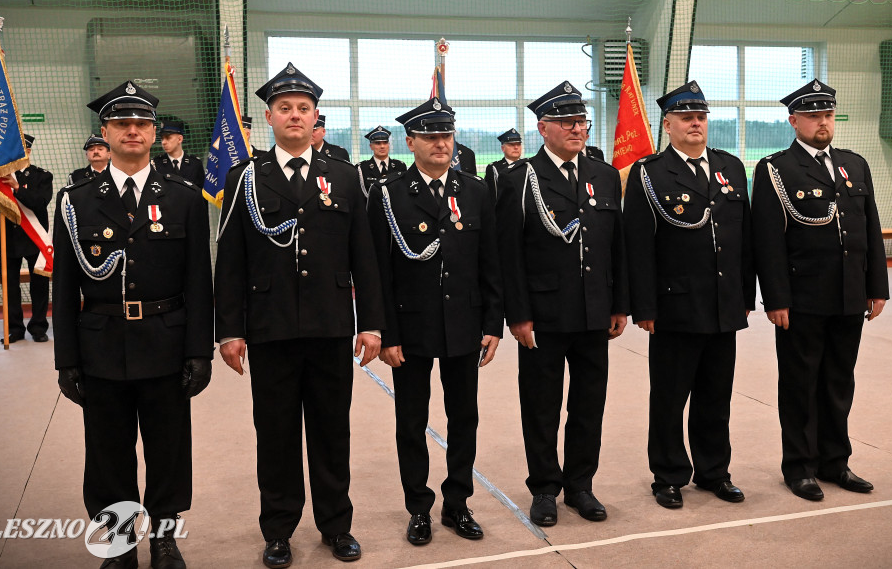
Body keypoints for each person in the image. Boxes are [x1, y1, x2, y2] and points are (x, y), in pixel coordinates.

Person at [214, 62, 384, 567]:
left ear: (315, 118)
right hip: (270, 328)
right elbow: (230, 260)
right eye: (284, 108)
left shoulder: (345, 175)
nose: (294, 115)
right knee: (277, 432)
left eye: (303, 109)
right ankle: (279, 529)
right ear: (268, 117)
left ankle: (336, 525)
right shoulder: (244, 177)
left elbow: (365, 256)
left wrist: (371, 322)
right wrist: (229, 330)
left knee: (332, 431)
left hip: (331, 326)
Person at [53, 81, 213, 569]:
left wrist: (199, 351)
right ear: (104, 132)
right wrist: (67, 360)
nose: (133, 131)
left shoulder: (184, 197)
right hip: (101, 345)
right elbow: (63, 289)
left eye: (142, 124)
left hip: (165, 341)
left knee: (167, 447)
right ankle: (120, 542)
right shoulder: (75, 201)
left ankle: (164, 537)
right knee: (108, 452)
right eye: (122, 123)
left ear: (153, 133)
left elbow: (198, 283)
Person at [368, 97, 503, 546]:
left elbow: (491, 263)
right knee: (412, 421)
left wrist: (492, 322)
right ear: (411, 142)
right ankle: (419, 507)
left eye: (446, 134)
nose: (441, 143)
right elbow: (379, 271)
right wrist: (387, 333)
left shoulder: (476, 190)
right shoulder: (387, 194)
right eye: (430, 136)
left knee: (464, 418)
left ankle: (457, 504)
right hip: (412, 328)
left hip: (464, 325)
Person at [495, 80, 629, 526]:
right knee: (541, 406)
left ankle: (580, 485)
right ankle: (545, 488)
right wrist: (518, 315)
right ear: (543, 128)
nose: (577, 128)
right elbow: (508, 255)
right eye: (567, 121)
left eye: (582, 122)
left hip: (594, 311)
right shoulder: (519, 179)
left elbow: (617, 248)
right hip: (544, 316)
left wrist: (619, 304)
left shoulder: (604, 175)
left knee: (589, 404)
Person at [751, 79, 889, 502]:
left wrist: (876, 287)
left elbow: (871, 229)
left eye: (827, 114)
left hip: (849, 295)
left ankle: (835, 462)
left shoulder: (854, 164)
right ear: (794, 121)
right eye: (813, 116)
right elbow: (768, 241)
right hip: (803, 299)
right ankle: (799, 466)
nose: (822, 122)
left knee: (838, 382)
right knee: (800, 384)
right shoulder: (776, 168)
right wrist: (776, 298)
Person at [623, 81, 755, 509]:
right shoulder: (650, 172)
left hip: (722, 304)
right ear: (668, 124)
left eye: (701, 116)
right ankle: (668, 475)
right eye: (685, 117)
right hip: (674, 305)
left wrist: (744, 296)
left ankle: (714, 471)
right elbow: (638, 245)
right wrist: (643, 305)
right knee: (669, 397)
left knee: (716, 397)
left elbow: (744, 239)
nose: (696, 123)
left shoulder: (731, 168)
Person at [0, 134, 52, 345]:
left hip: (34, 239)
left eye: (23, 150)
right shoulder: (0, 176)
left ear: (27, 152)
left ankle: (38, 327)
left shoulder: (41, 176)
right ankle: (15, 329)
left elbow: (40, 202)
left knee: (39, 285)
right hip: (7, 238)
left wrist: (17, 187)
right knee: (9, 286)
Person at [152, 119, 205, 188]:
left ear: (180, 139)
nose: (163, 142)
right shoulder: (156, 164)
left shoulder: (195, 164)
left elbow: (201, 192)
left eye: (168, 138)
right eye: (162, 138)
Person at [356, 125, 406, 197]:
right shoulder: (362, 168)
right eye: (378, 143)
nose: (382, 146)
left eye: (385, 142)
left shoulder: (400, 166)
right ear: (371, 146)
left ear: (388, 145)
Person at [483, 128, 523, 201]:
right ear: (503, 148)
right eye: (511, 145)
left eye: (518, 144)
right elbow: (492, 198)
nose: (516, 147)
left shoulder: (527, 165)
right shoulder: (495, 169)